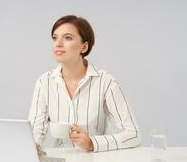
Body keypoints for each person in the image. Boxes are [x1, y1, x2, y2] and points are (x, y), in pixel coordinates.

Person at [28, 15, 141, 152]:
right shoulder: (44, 82)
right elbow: (35, 132)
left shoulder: (106, 82)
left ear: (84, 47)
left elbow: (133, 134)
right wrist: (33, 146)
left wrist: (92, 143)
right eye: (54, 37)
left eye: (68, 37)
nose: (58, 43)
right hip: (59, 161)